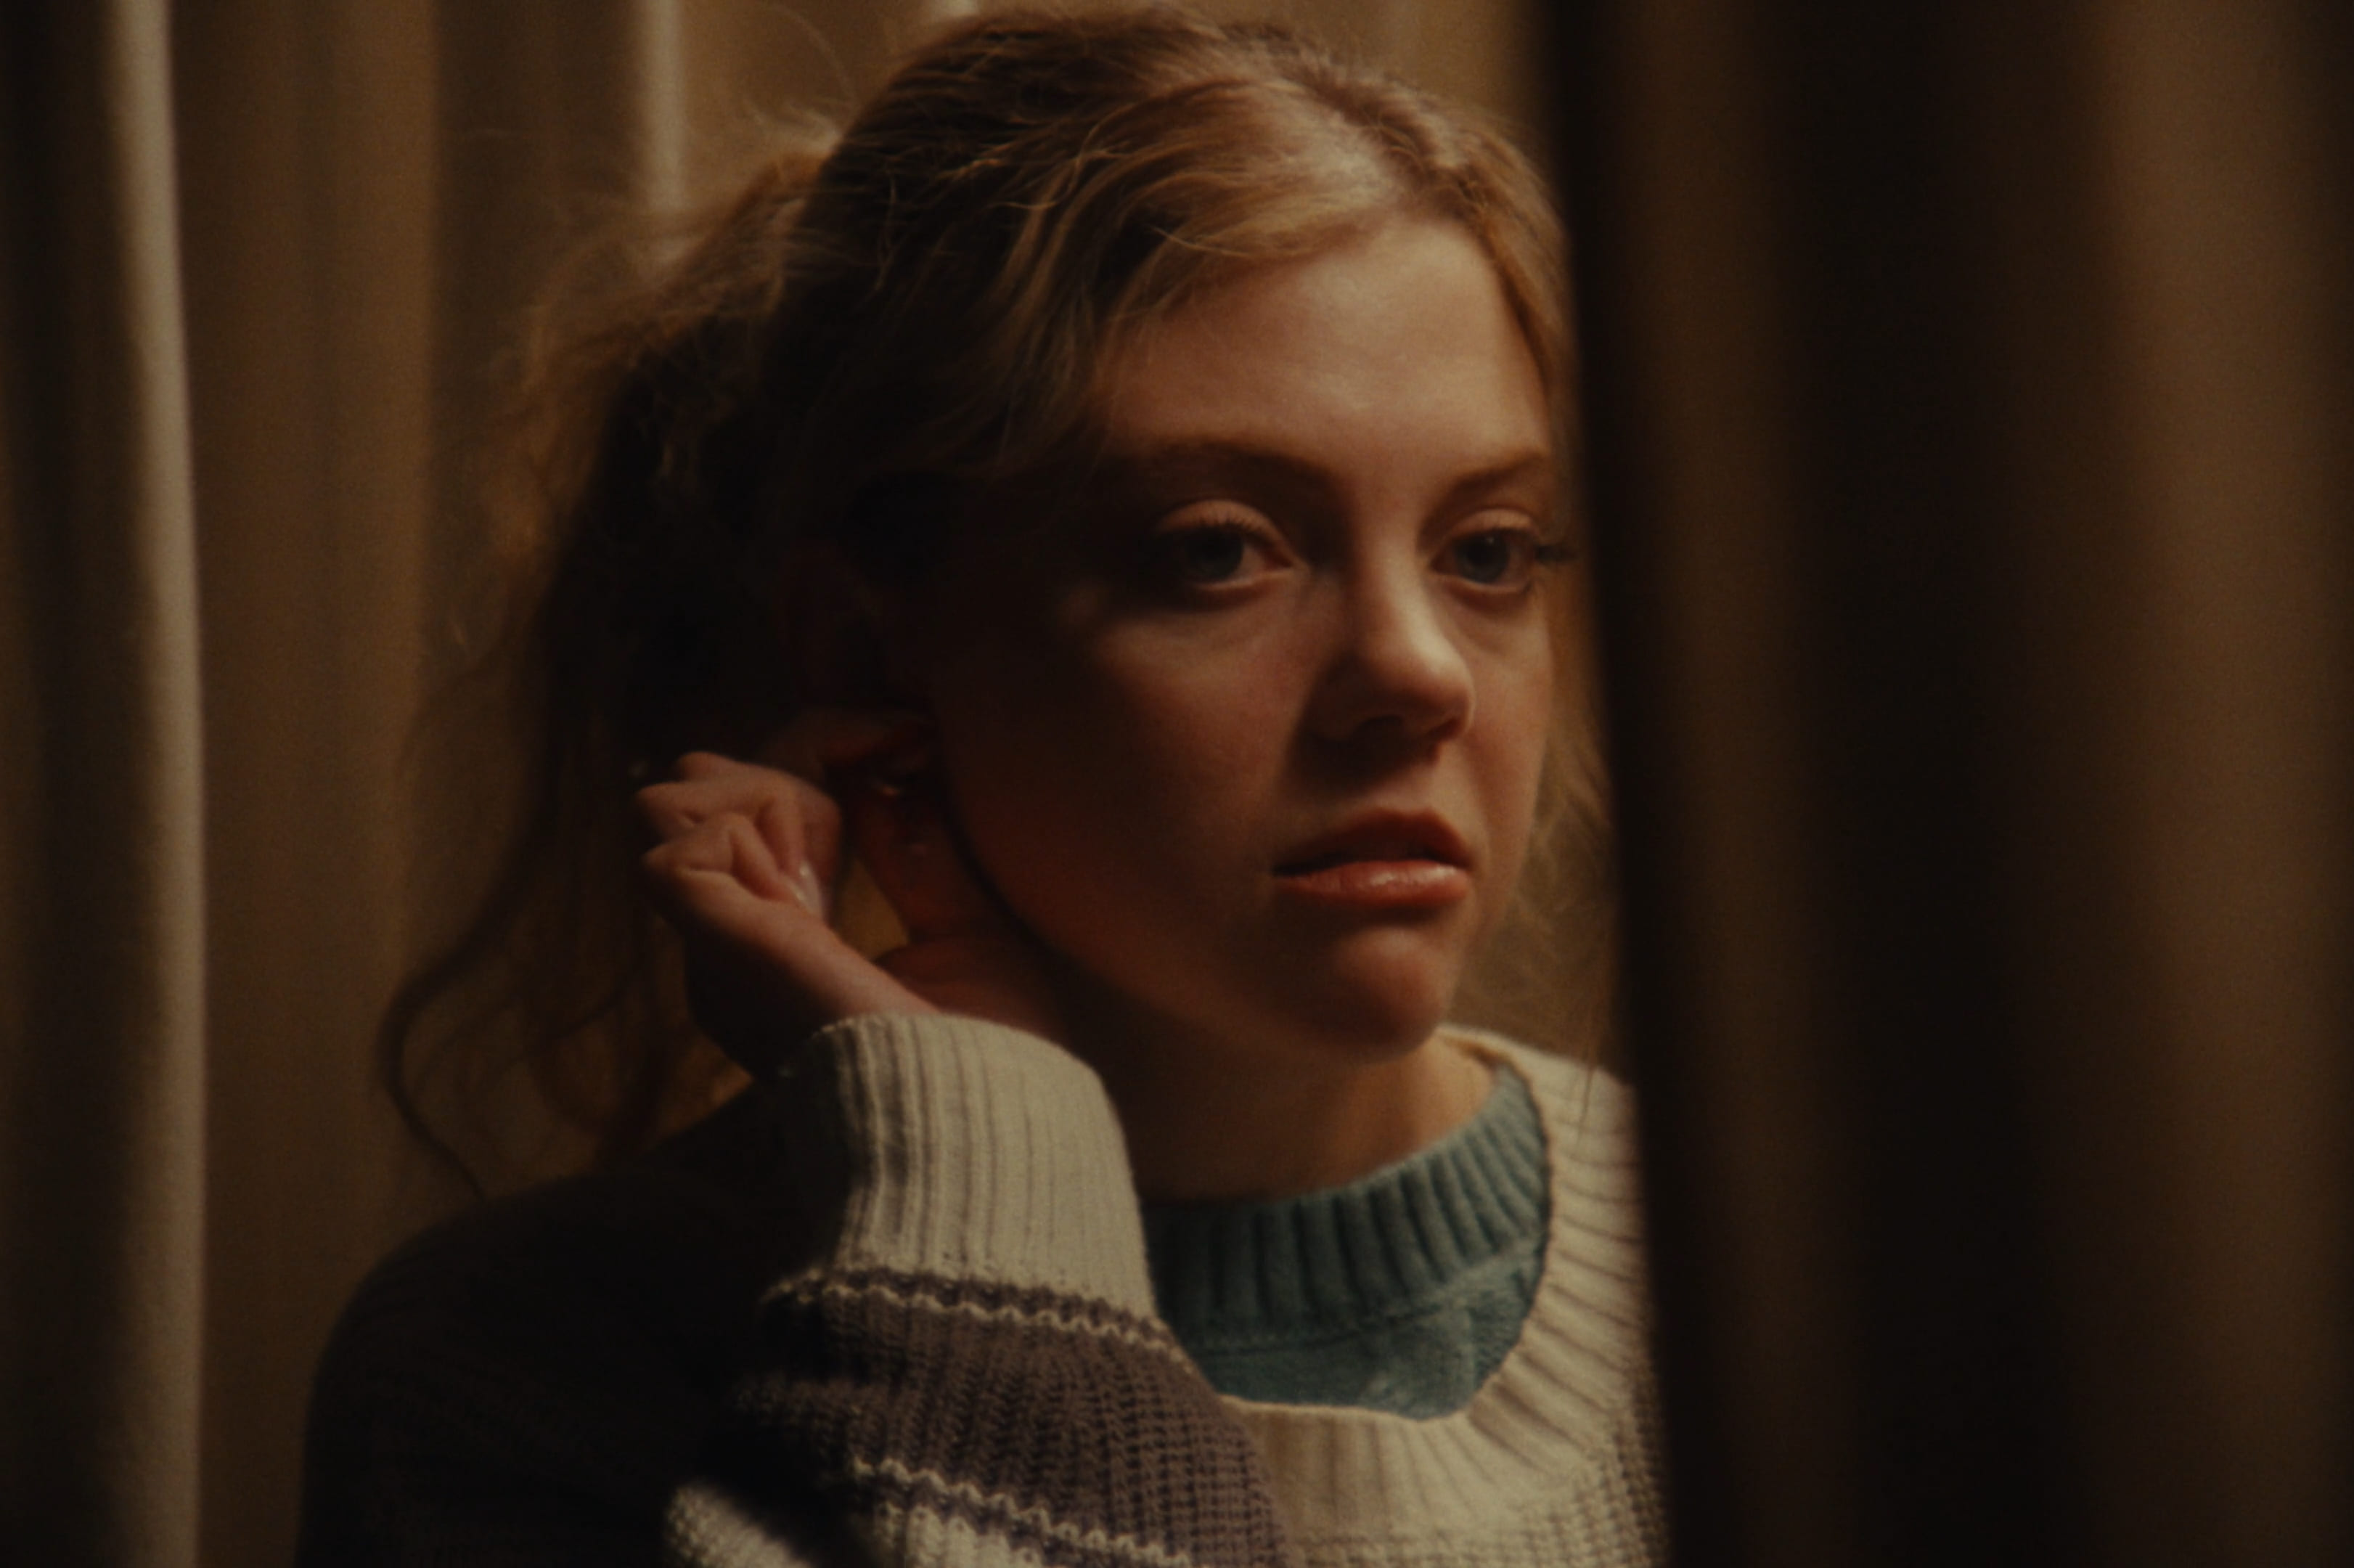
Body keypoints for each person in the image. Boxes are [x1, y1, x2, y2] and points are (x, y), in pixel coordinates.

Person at [298, 9, 1663, 1565]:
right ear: (866, 646)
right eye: (1217, 549)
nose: (1420, 675)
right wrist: (980, 1179)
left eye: (1488, 550)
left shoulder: (1770, 1258)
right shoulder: (531, 1371)